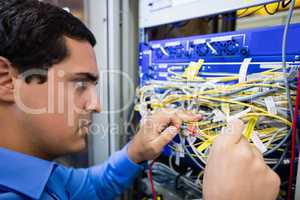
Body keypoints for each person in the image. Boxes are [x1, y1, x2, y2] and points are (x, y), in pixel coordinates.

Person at [0, 0, 280, 199]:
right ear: (7, 80)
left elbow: (91, 187)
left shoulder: (44, 176)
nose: (96, 105)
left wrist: (137, 151)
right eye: (80, 83)